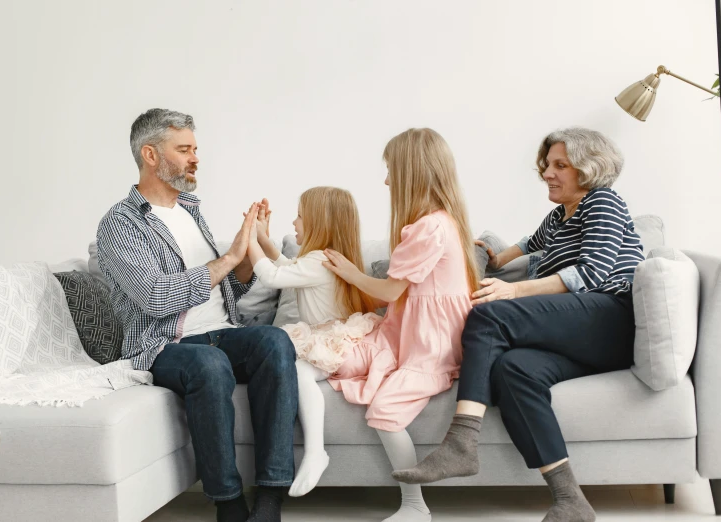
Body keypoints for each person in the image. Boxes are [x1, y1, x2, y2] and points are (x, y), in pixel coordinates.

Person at [393, 127, 645, 522]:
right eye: (547, 164)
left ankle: (461, 440)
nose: (547, 172)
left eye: (561, 165)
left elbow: (593, 273)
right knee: (514, 371)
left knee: (489, 314)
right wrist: (492, 258)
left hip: (608, 317)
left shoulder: (603, 202)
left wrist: (515, 291)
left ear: (589, 169)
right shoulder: (562, 214)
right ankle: (570, 500)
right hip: (578, 333)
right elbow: (530, 243)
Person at [96, 108, 298, 522]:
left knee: (274, 341)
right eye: (183, 149)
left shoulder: (191, 210)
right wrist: (229, 256)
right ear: (150, 155)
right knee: (209, 363)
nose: (195, 158)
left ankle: (271, 496)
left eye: (195, 149)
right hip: (165, 345)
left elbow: (227, 287)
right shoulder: (120, 224)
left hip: (222, 332)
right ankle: (228, 502)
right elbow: (156, 298)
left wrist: (249, 247)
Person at [323, 128, 479, 522]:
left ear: (411, 173)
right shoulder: (440, 222)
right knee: (339, 361)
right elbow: (401, 298)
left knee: (384, 409)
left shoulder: (429, 228)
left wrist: (352, 273)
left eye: (391, 170)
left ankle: (414, 505)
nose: (387, 180)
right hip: (406, 328)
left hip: (432, 342)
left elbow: (392, 291)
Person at [246, 186, 379, 497]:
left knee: (301, 373)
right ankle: (315, 453)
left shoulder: (319, 260)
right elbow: (286, 269)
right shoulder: (322, 258)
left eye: (300, 216)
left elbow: (272, 278)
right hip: (342, 337)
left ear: (319, 223)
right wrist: (265, 240)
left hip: (337, 341)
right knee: (299, 369)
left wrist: (250, 240)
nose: (294, 223)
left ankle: (316, 451)